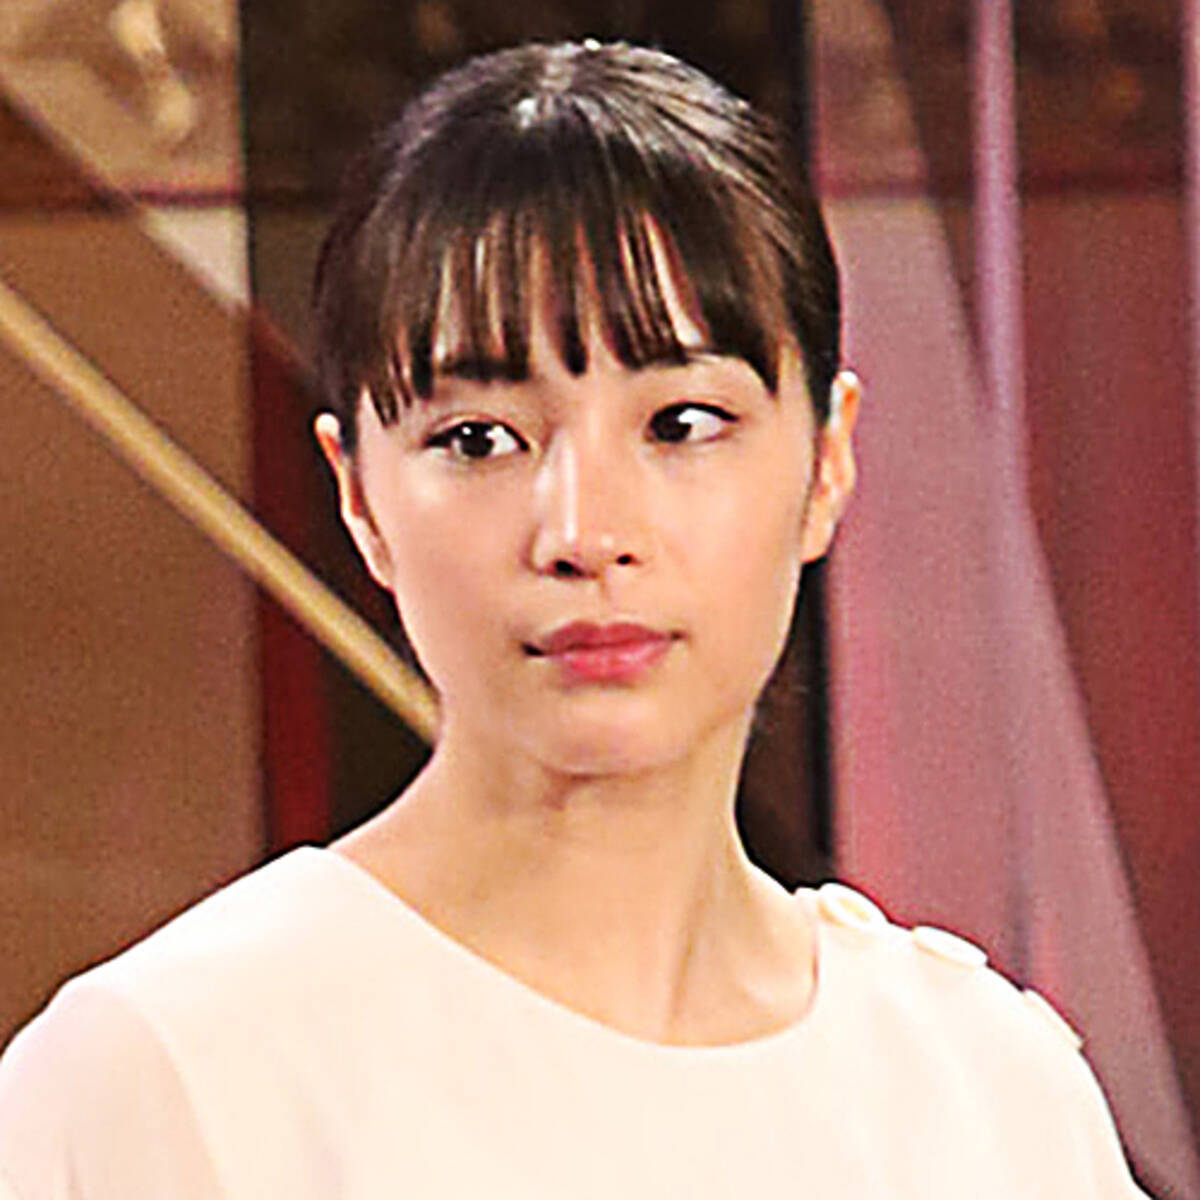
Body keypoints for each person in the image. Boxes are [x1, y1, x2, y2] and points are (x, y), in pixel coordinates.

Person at [0, 39, 1149, 1199]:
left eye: (682, 424)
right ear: (359, 498)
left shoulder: (990, 1098)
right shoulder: (164, 1077)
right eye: (479, 439)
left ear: (827, 459)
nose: (585, 531)